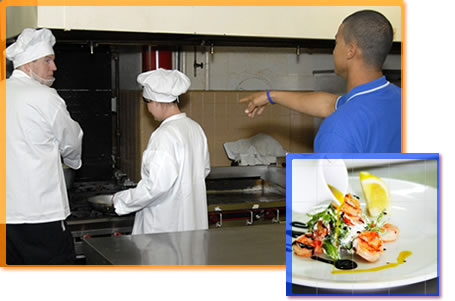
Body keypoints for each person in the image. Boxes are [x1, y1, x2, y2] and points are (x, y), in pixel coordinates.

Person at [240, 10, 401, 153]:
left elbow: (330, 187)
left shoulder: (336, 130)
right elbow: (329, 104)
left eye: (336, 43)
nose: (334, 50)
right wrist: (271, 96)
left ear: (351, 50)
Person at [6, 28, 84, 264]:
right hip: (41, 215)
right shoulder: (45, 97)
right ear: (29, 64)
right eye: (48, 60)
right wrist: (73, 161)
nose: (54, 67)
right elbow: (71, 141)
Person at [112, 68, 211, 235]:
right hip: (192, 226)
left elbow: (155, 187)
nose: (148, 109)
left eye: (147, 103)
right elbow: (204, 170)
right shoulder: (195, 128)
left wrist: (120, 200)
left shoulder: (164, 135)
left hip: (164, 228)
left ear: (156, 101)